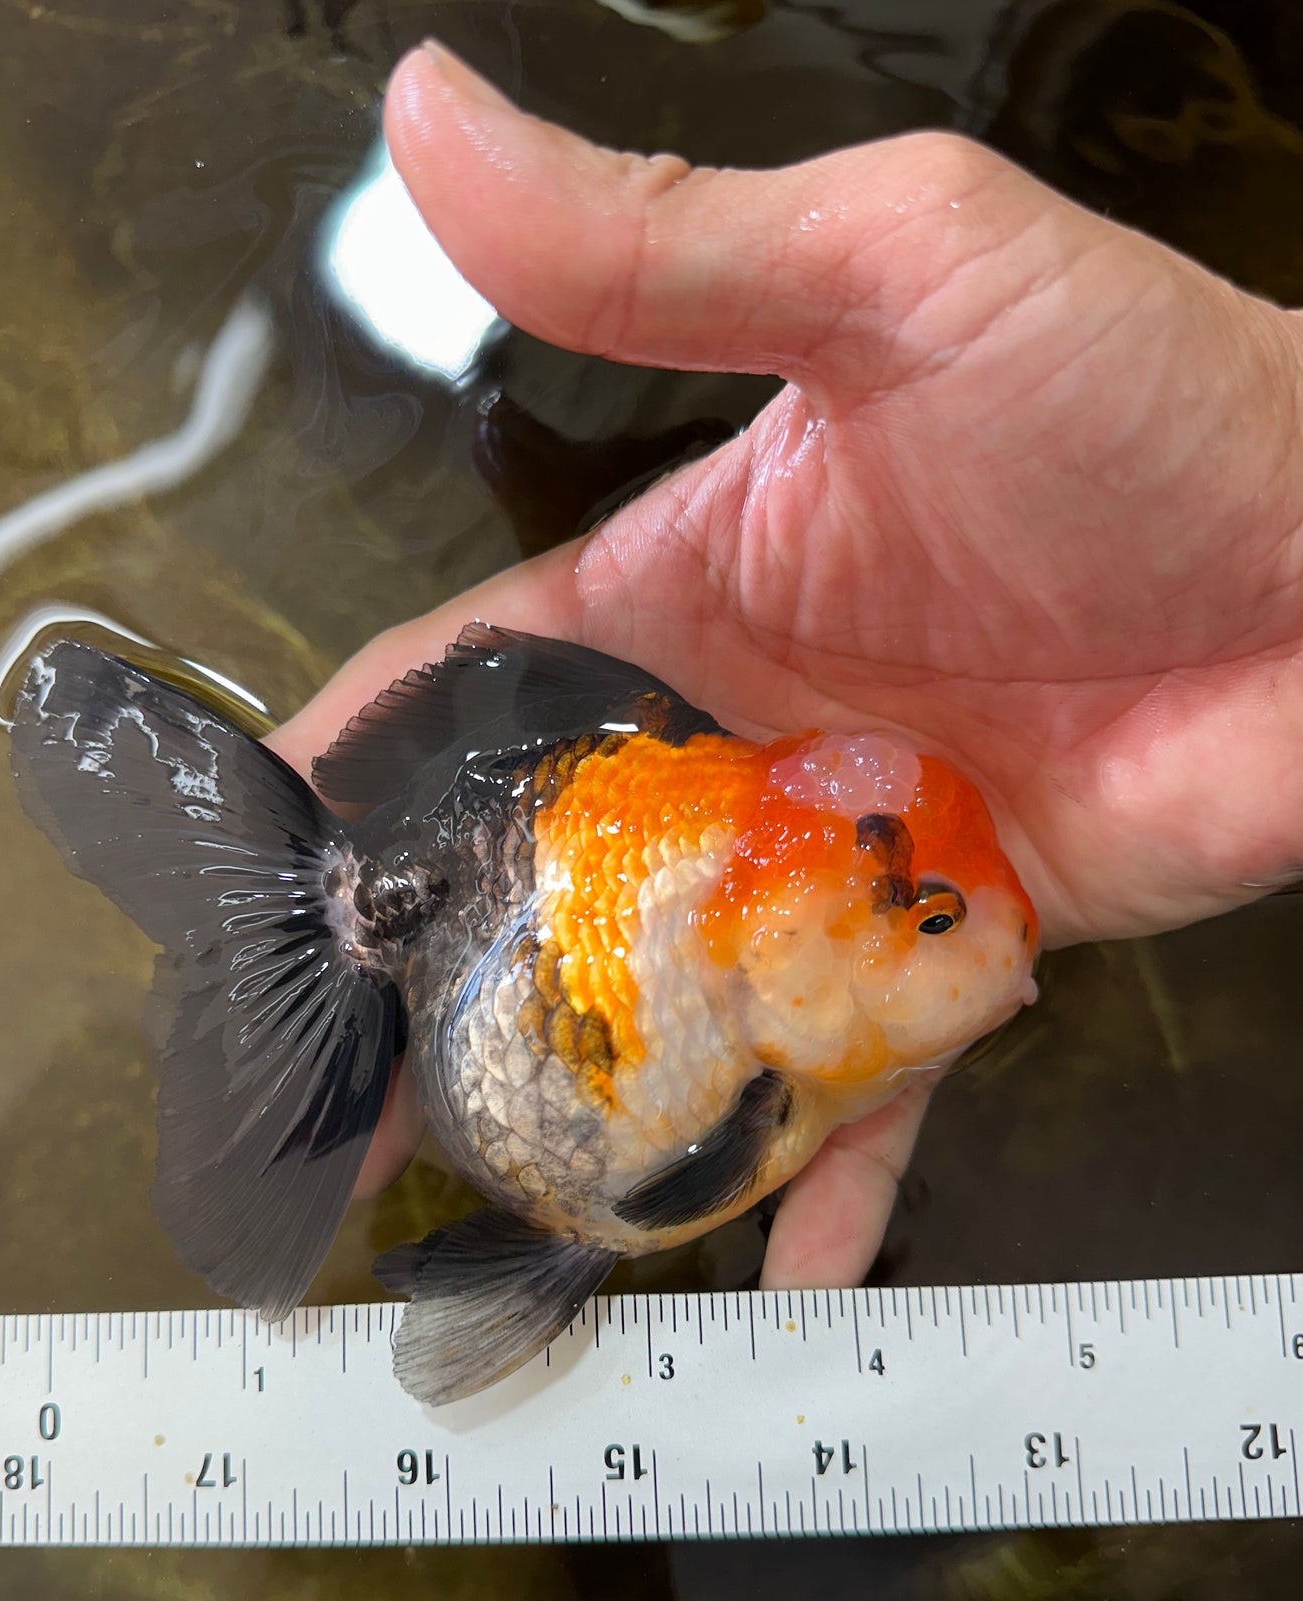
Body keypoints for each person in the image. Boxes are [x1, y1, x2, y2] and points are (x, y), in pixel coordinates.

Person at [269, 41, 1303, 1290]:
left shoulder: (781, 1033)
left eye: (937, 913)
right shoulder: (762, 1032)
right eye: (928, 914)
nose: (988, 941)